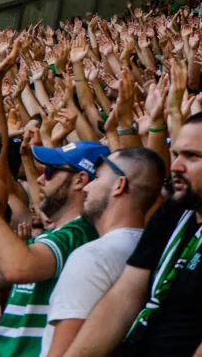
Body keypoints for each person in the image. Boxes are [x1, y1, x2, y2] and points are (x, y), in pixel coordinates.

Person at [63, 111, 202, 357]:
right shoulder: (179, 206)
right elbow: (123, 297)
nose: (177, 167)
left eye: (192, 157)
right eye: (175, 155)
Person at [0, 140, 108, 357]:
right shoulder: (49, 238)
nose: (40, 178)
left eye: (50, 171)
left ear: (80, 180)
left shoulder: (82, 234)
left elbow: (17, 269)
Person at [46, 148, 166, 357]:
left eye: (97, 177)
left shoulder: (92, 257)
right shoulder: (157, 250)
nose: (87, 186)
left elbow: (62, 351)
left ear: (119, 185)